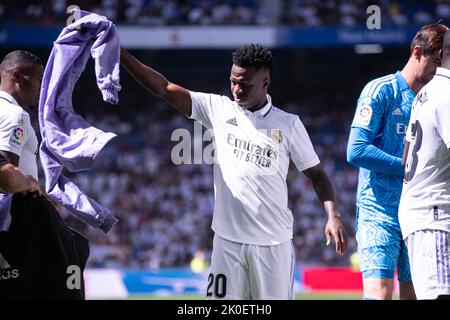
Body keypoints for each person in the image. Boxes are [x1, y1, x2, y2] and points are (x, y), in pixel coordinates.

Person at [120, 43, 348, 300]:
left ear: (265, 82)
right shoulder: (218, 109)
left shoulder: (288, 124)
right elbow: (163, 88)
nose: (237, 90)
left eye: (245, 84)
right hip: (227, 244)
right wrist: (120, 53)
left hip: (272, 246)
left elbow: (317, 175)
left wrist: (333, 215)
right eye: (233, 82)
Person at [347, 23, 448, 300]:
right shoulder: (381, 91)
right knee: (379, 294)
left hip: (417, 212)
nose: (440, 69)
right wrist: (405, 167)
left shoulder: (433, 99)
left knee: (414, 295)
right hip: (378, 211)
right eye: (437, 61)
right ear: (417, 52)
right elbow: (356, 150)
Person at [398, 29, 450, 300]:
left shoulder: (426, 93)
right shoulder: (447, 93)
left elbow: (406, 155)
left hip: (424, 210)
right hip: (435, 215)